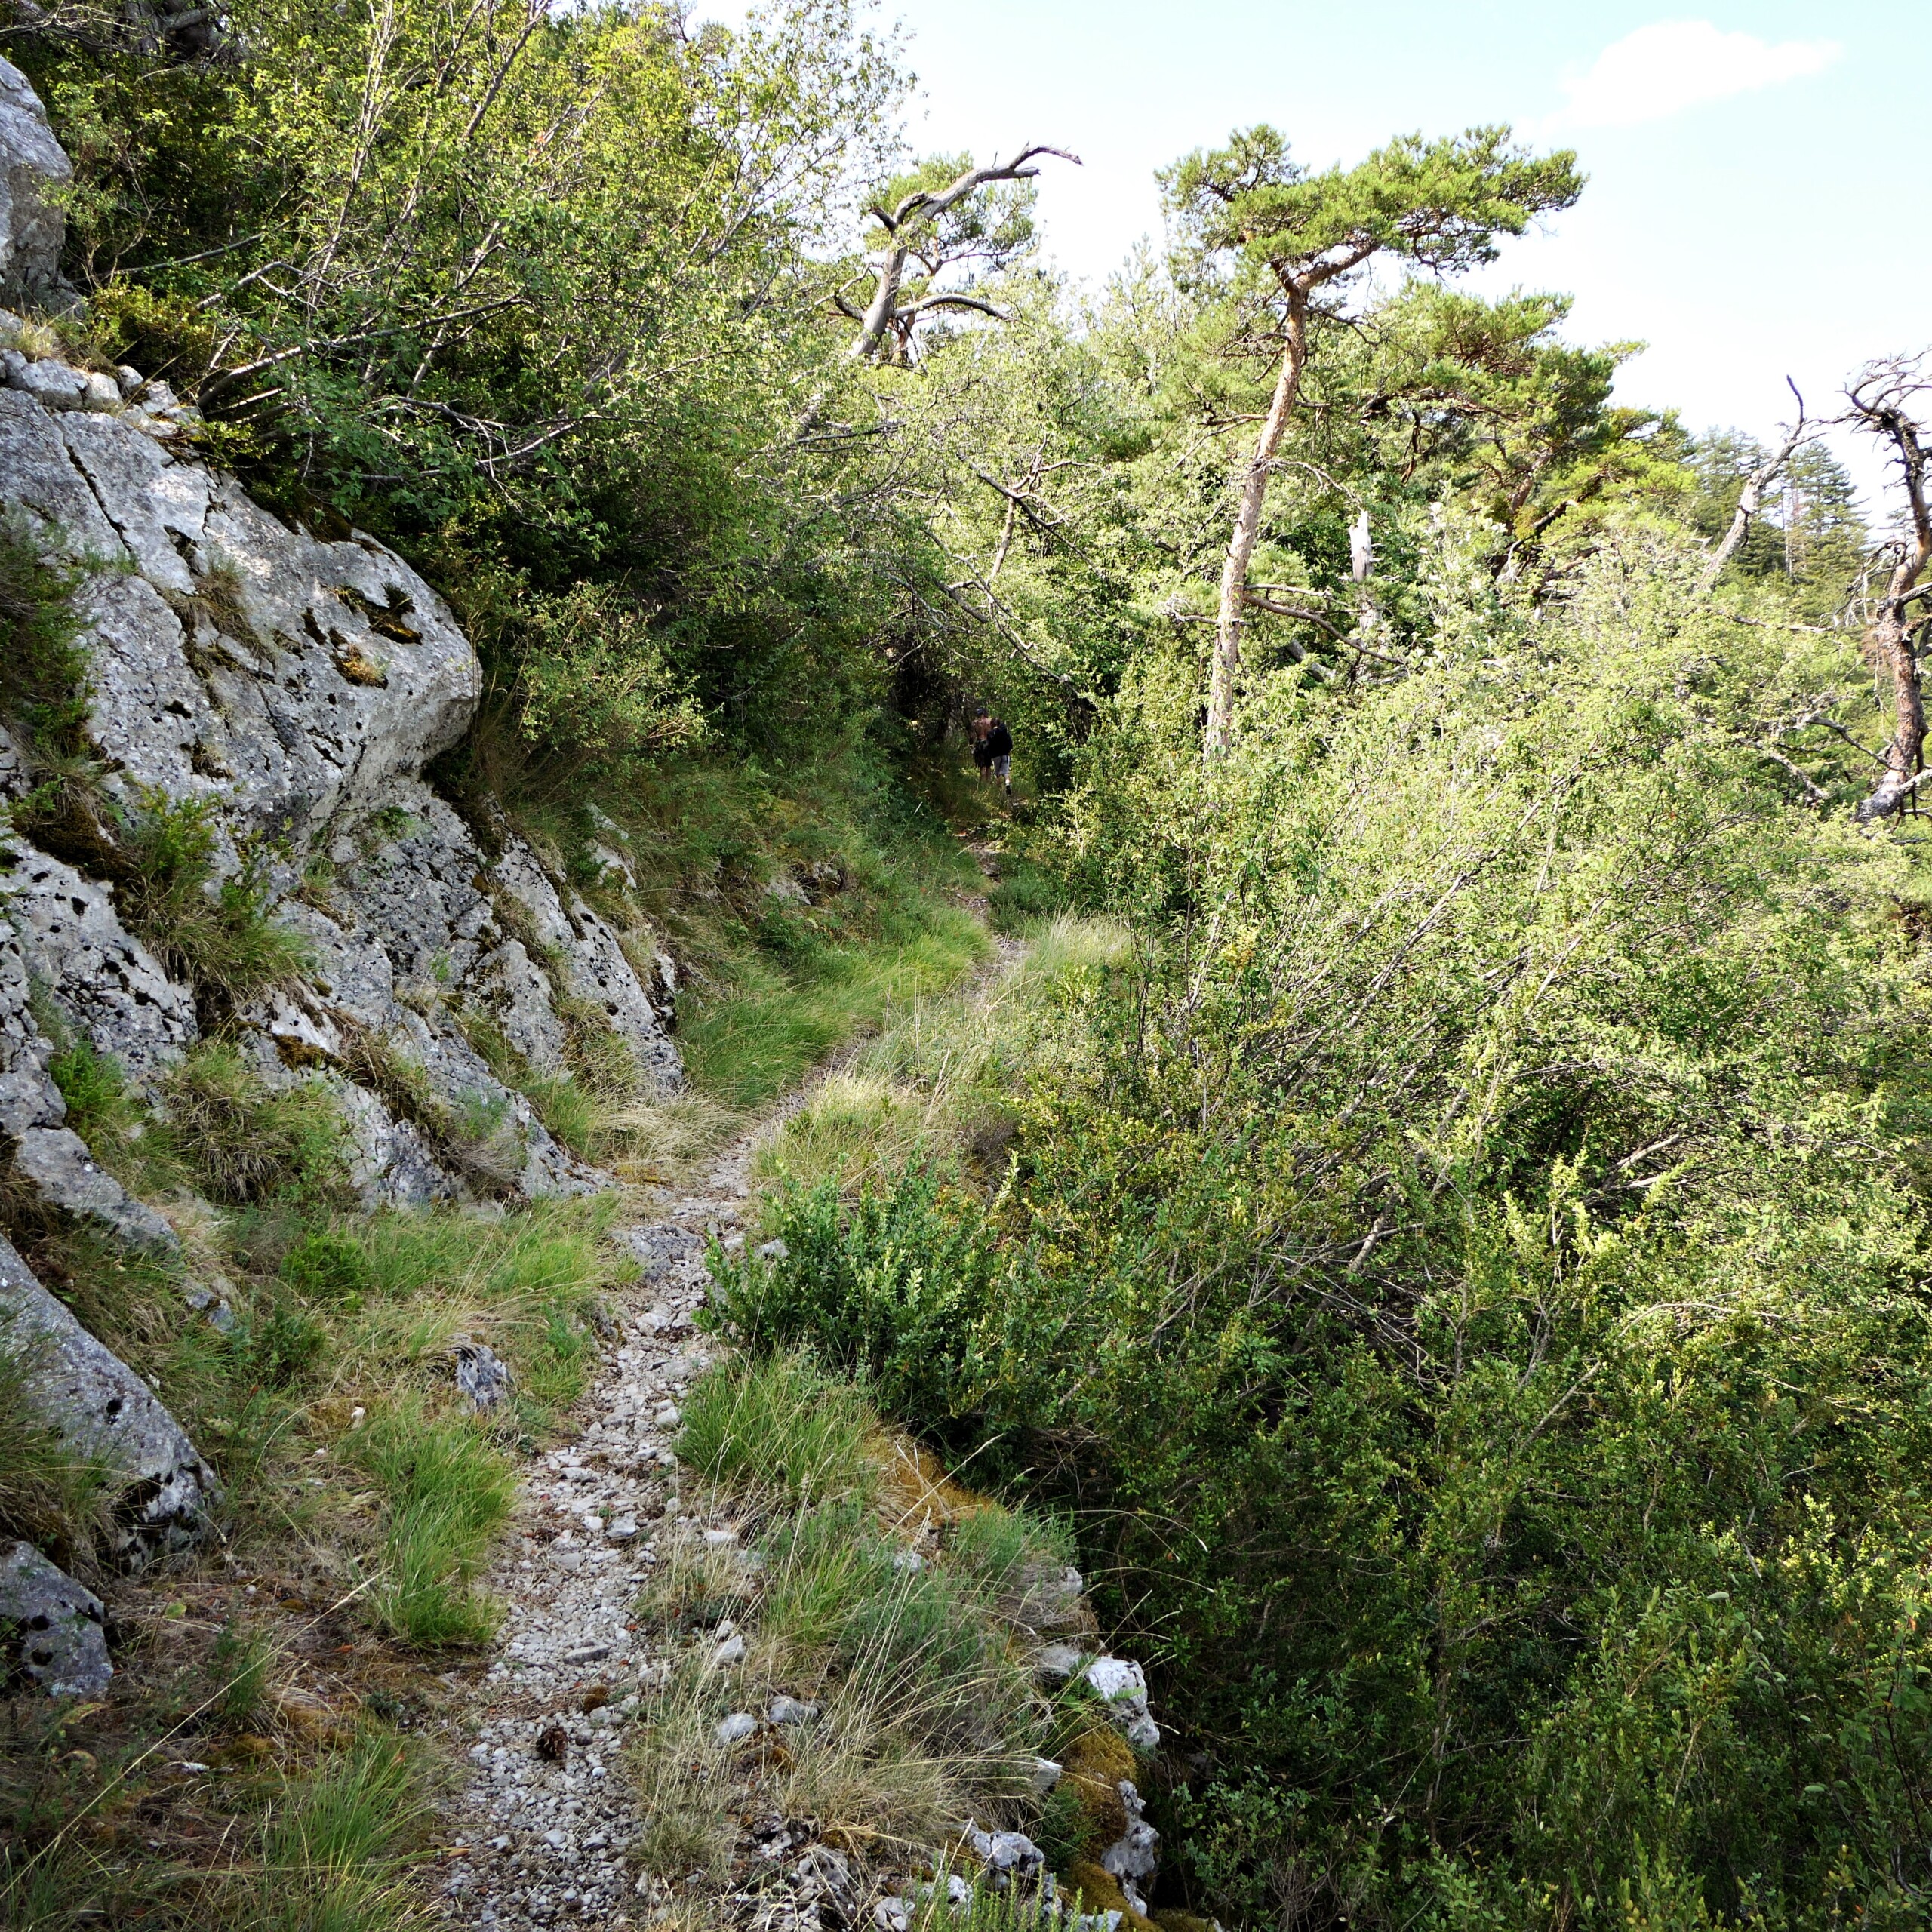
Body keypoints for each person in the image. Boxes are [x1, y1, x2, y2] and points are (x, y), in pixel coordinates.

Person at [985, 715, 1014, 795]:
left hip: (995, 756)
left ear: (992, 725)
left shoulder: (990, 734)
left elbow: (988, 746)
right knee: (1006, 772)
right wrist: (1008, 751)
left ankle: (999, 792)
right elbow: (1010, 743)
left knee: (997, 774)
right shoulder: (1005, 732)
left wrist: (990, 754)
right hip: (1005, 755)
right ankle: (1007, 785)